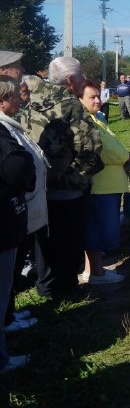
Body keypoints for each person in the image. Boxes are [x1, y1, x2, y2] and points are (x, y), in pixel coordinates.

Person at [25, 56, 103, 298]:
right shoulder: (71, 104)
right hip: (67, 187)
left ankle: (45, 287)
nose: (83, 81)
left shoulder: (30, 99)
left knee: (43, 241)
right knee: (70, 242)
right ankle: (68, 290)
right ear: (70, 80)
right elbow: (89, 148)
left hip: (37, 185)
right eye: (80, 77)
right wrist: (80, 178)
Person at [0, 75, 45, 339]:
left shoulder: (9, 125)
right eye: (16, 95)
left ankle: (8, 314)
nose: (21, 98)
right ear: (2, 102)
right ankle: (5, 321)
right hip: (6, 215)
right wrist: (27, 162)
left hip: (15, 213)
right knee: (4, 278)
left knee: (11, 274)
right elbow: (17, 166)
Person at [78, 81, 130, 284]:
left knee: (94, 230)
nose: (97, 100)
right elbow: (110, 150)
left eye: (97, 96)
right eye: (92, 97)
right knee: (97, 232)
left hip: (105, 184)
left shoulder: (95, 119)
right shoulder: (89, 122)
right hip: (101, 186)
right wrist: (128, 157)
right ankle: (97, 274)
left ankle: (90, 271)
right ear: (79, 100)